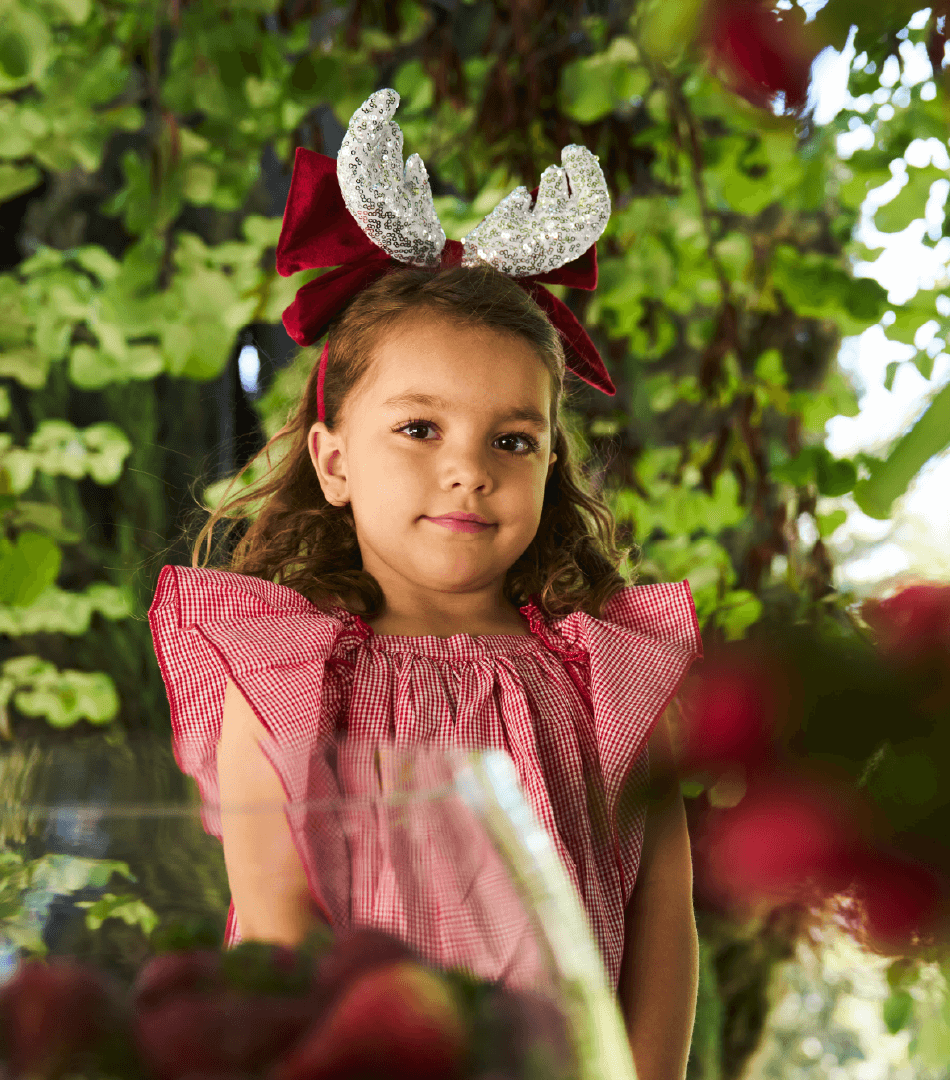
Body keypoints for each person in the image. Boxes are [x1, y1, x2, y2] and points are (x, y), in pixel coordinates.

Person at [149, 89, 701, 1080]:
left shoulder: (604, 675)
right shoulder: (279, 680)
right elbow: (272, 944)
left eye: (513, 439)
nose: (467, 467)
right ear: (333, 460)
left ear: (550, 464)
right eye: (419, 428)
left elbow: (665, 928)